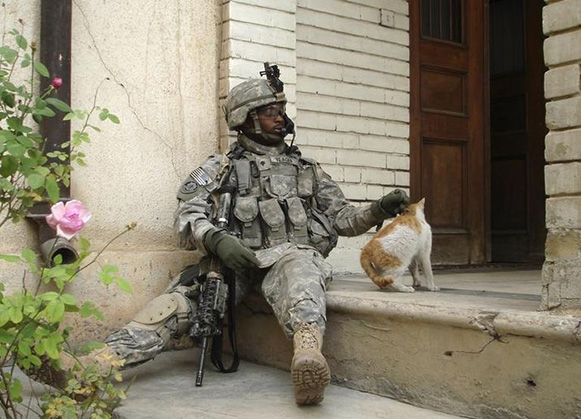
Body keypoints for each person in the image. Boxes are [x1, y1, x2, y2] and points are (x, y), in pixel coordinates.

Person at [80, 67, 409, 406]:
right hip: (231, 265)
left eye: (282, 112)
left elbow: (342, 219)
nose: (281, 119)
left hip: (288, 258)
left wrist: (378, 209)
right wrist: (215, 240)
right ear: (246, 119)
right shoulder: (219, 167)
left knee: (303, 273)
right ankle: (96, 364)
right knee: (176, 306)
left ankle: (308, 357)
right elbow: (187, 214)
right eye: (271, 113)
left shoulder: (307, 169)